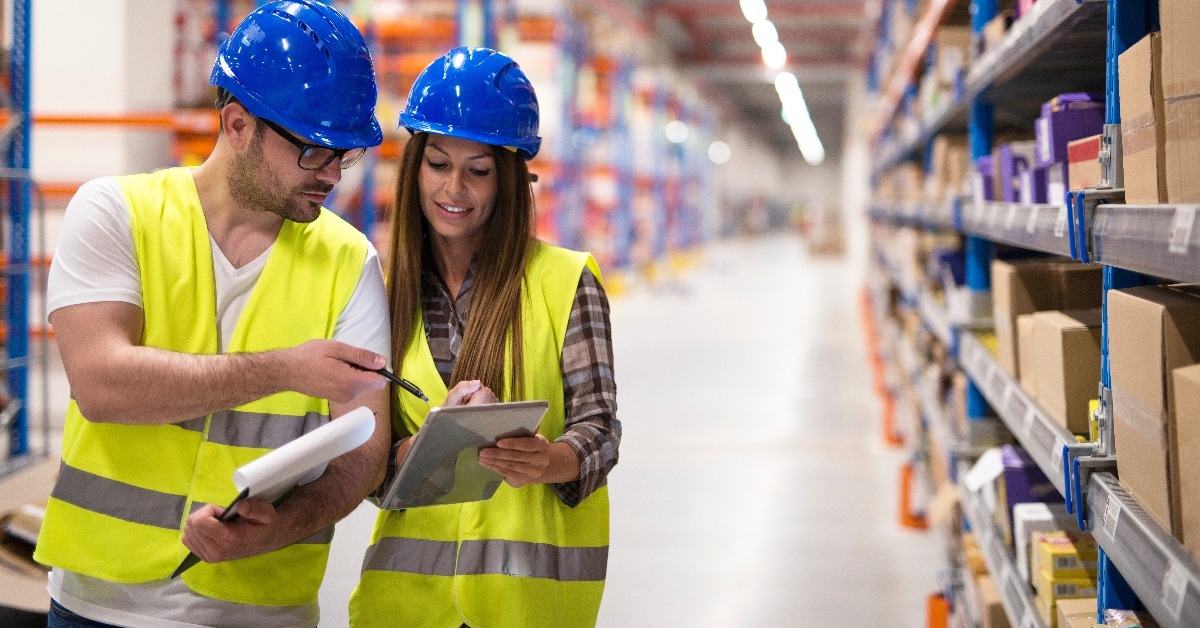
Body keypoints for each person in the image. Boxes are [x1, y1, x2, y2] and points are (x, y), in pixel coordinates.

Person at [34, 2, 395, 626]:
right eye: (314, 150)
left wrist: (286, 524)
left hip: (261, 609)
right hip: (101, 606)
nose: (334, 174)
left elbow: (363, 447)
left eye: (346, 154)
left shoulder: (349, 259)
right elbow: (101, 383)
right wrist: (284, 370)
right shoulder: (115, 213)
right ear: (236, 125)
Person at [348, 47, 621, 628]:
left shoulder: (566, 281)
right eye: (438, 164)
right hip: (406, 607)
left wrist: (549, 459)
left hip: (525, 607)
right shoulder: (382, 291)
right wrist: (414, 453)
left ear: (511, 181)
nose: (454, 189)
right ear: (415, 166)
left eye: (478, 171)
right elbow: (368, 468)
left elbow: (601, 432)